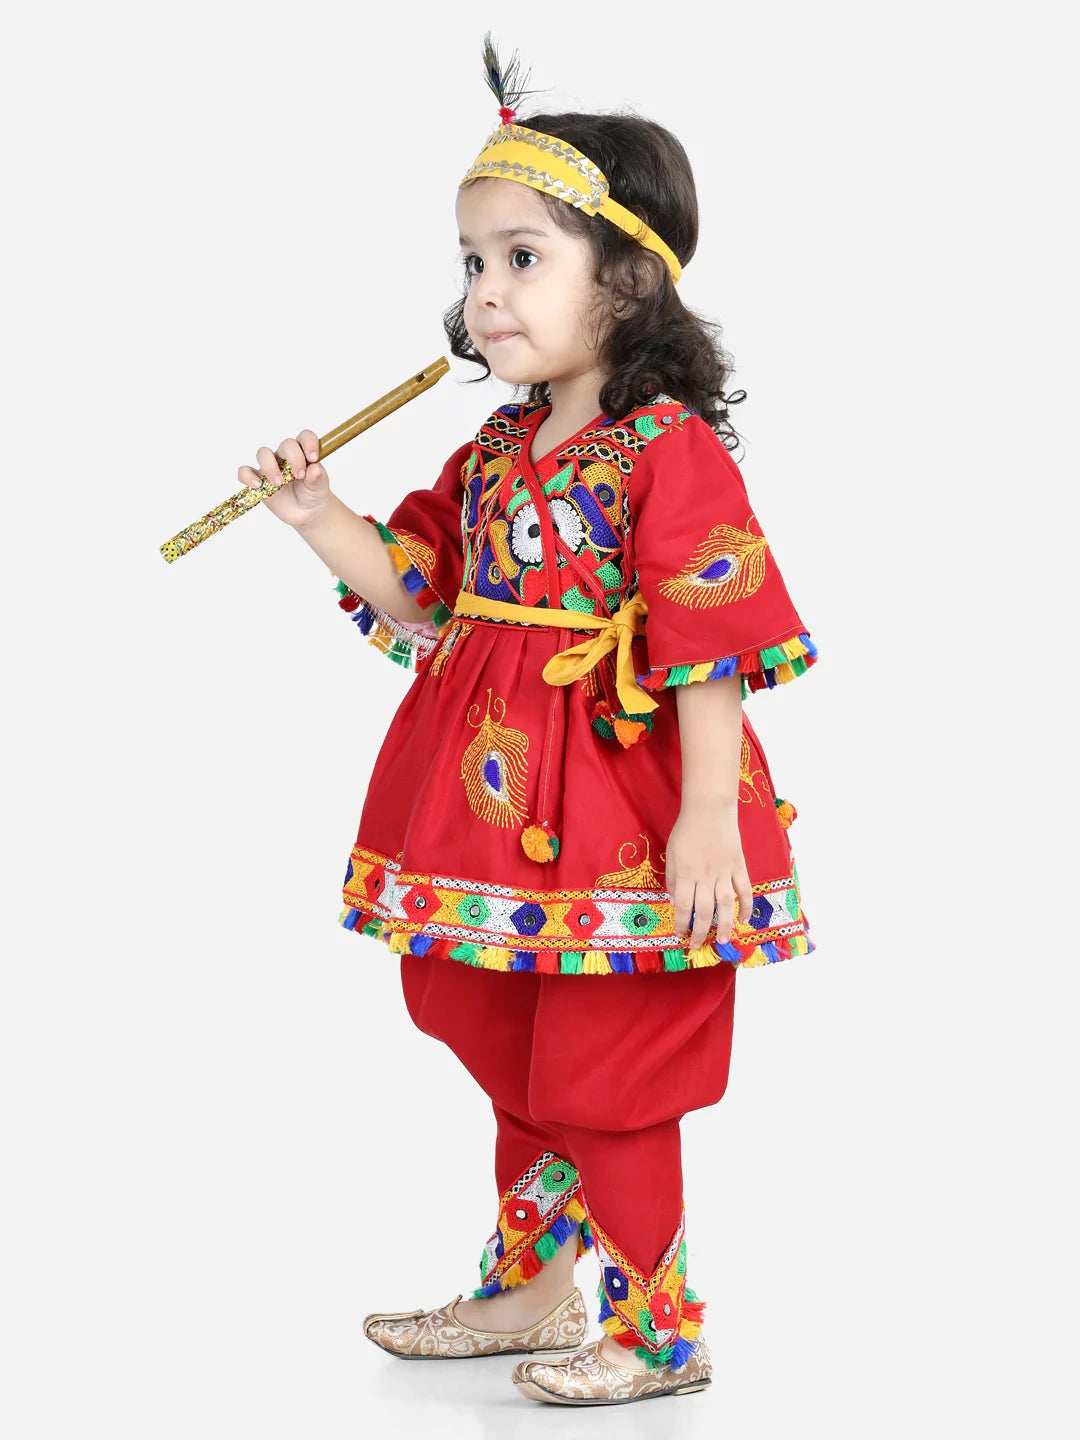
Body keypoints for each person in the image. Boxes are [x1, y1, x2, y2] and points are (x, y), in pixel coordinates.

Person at [237, 34, 819, 1408]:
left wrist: (705, 821)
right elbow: (423, 589)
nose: (485, 294)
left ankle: (658, 1330)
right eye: (471, 263)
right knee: (485, 1008)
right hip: (492, 811)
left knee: (609, 1059)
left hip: (627, 811)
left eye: (521, 258)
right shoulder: (499, 447)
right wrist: (319, 516)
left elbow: (709, 642)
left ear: (628, 278)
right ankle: (532, 1286)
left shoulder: (667, 449)